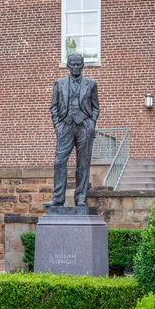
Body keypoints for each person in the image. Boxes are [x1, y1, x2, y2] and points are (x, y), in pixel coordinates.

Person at [44, 53, 100, 207]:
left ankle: (80, 198)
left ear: (82, 65)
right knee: (59, 161)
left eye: (78, 64)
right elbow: (53, 107)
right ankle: (58, 198)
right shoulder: (59, 83)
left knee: (83, 164)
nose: (75, 67)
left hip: (84, 127)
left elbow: (96, 108)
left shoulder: (91, 84)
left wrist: (91, 124)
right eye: (72, 64)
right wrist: (58, 125)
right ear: (68, 66)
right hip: (65, 127)